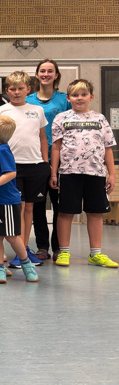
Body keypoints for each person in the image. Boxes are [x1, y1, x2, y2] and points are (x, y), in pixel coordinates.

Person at [50, 79, 117, 268]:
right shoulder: (61, 118)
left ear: (91, 97)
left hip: (96, 174)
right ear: (68, 98)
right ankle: (63, 252)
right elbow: (56, 147)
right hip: (69, 173)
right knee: (65, 212)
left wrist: (111, 174)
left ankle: (95, 253)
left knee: (95, 213)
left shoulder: (100, 119)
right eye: (75, 95)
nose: (79, 98)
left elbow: (108, 148)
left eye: (83, 95)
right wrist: (54, 173)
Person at [0, 71, 47, 268]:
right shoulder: (0, 111)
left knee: (30, 207)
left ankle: (24, 249)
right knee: (18, 208)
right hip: (11, 167)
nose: (16, 92)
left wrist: (45, 162)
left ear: (28, 89)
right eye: (12, 89)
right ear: (6, 90)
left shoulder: (37, 110)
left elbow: (42, 138)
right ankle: (16, 252)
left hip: (35, 164)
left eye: (20, 88)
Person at [0, 116, 39, 283]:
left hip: (7, 201)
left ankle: (27, 265)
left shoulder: (3, 150)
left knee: (12, 236)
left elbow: (11, 173)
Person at [27, 59, 70, 260]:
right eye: (42, 71)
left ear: (56, 75)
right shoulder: (28, 100)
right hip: (36, 158)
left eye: (50, 71)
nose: (46, 74)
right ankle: (42, 247)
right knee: (37, 205)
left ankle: (59, 247)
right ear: (37, 74)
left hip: (62, 158)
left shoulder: (64, 100)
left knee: (59, 204)